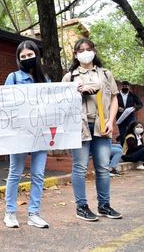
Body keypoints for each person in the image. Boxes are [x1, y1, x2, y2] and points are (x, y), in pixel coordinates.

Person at [62, 38, 122, 221]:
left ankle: (104, 205)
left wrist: (111, 122)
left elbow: (113, 98)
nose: (85, 53)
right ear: (75, 54)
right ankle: (81, 207)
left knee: (103, 167)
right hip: (80, 127)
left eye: (89, 49)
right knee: (79, 167)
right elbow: (61, 102)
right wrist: (76, 91)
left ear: (94, 51)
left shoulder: (105, 74)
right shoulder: (70, 76)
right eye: (81, 50)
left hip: (101, 126)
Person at [2, 40, 50, 229]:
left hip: (40, 133)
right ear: (18, 59)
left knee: (38, 175)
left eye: (30, 55)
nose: (27, 59)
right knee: (15, 173)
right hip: (19, 134)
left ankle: (34, 213)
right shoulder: (13, 77)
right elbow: (4, 104)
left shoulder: (45, 80)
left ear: (36, 55)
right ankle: (10, 213)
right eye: (23, 57)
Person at [116, 81, 143, 145]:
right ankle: (122, 149)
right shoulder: (117, 96)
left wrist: (134, 108)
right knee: (122, 133)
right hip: (120, 117)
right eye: (123, 86)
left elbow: (140, 104)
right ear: (121, 87)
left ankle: (135, 145)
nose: (125, 87)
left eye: (126, 86)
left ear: (129, 87)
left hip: (131, 117)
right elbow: (111, 105)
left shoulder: (132, 95)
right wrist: (117, 108)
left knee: (134, 131)